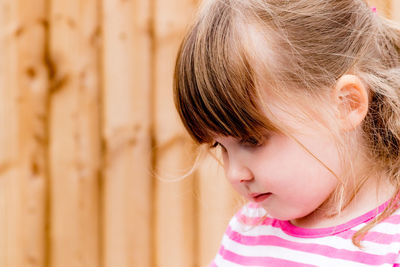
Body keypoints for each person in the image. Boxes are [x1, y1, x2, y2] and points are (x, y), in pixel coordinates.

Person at [173, 0, 400, 266]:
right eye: (220, 146)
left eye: (252, 140)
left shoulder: (391, 246)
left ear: (346, 104)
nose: (234, 174)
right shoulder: (246, 232)